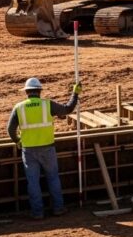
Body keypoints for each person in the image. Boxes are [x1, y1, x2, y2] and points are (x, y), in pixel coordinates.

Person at [6, 77, 81, 219]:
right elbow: (68, 109)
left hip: (28, 150)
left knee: (33, 182)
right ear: (40, 91)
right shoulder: (47, 105)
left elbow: (10, 130)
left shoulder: (19, 107)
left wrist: (17, 141)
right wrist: (75, 93)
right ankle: (58, 208)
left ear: (26, 92)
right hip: (48, 148)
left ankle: (37, 213)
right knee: (53, 178)